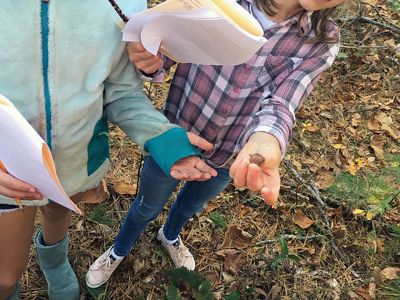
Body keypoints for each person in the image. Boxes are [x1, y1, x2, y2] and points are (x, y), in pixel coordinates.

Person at [86, 0, 345, 288]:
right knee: (146, 205)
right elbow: (167, 51)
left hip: (231, 154)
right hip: (175, 141)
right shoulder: (217, 3)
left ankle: (169, 234)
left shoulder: (322, 41)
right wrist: (151, 59)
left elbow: (283, 101)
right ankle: (119, 250)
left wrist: (266, 141)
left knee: (190, 205)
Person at [0, 1, 218, 299]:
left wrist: (161, 136)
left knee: (58, 212)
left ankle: (53, 256)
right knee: (4, 276)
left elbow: (121, 91)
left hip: (76, 160)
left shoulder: (120, 4)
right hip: (6, 171)